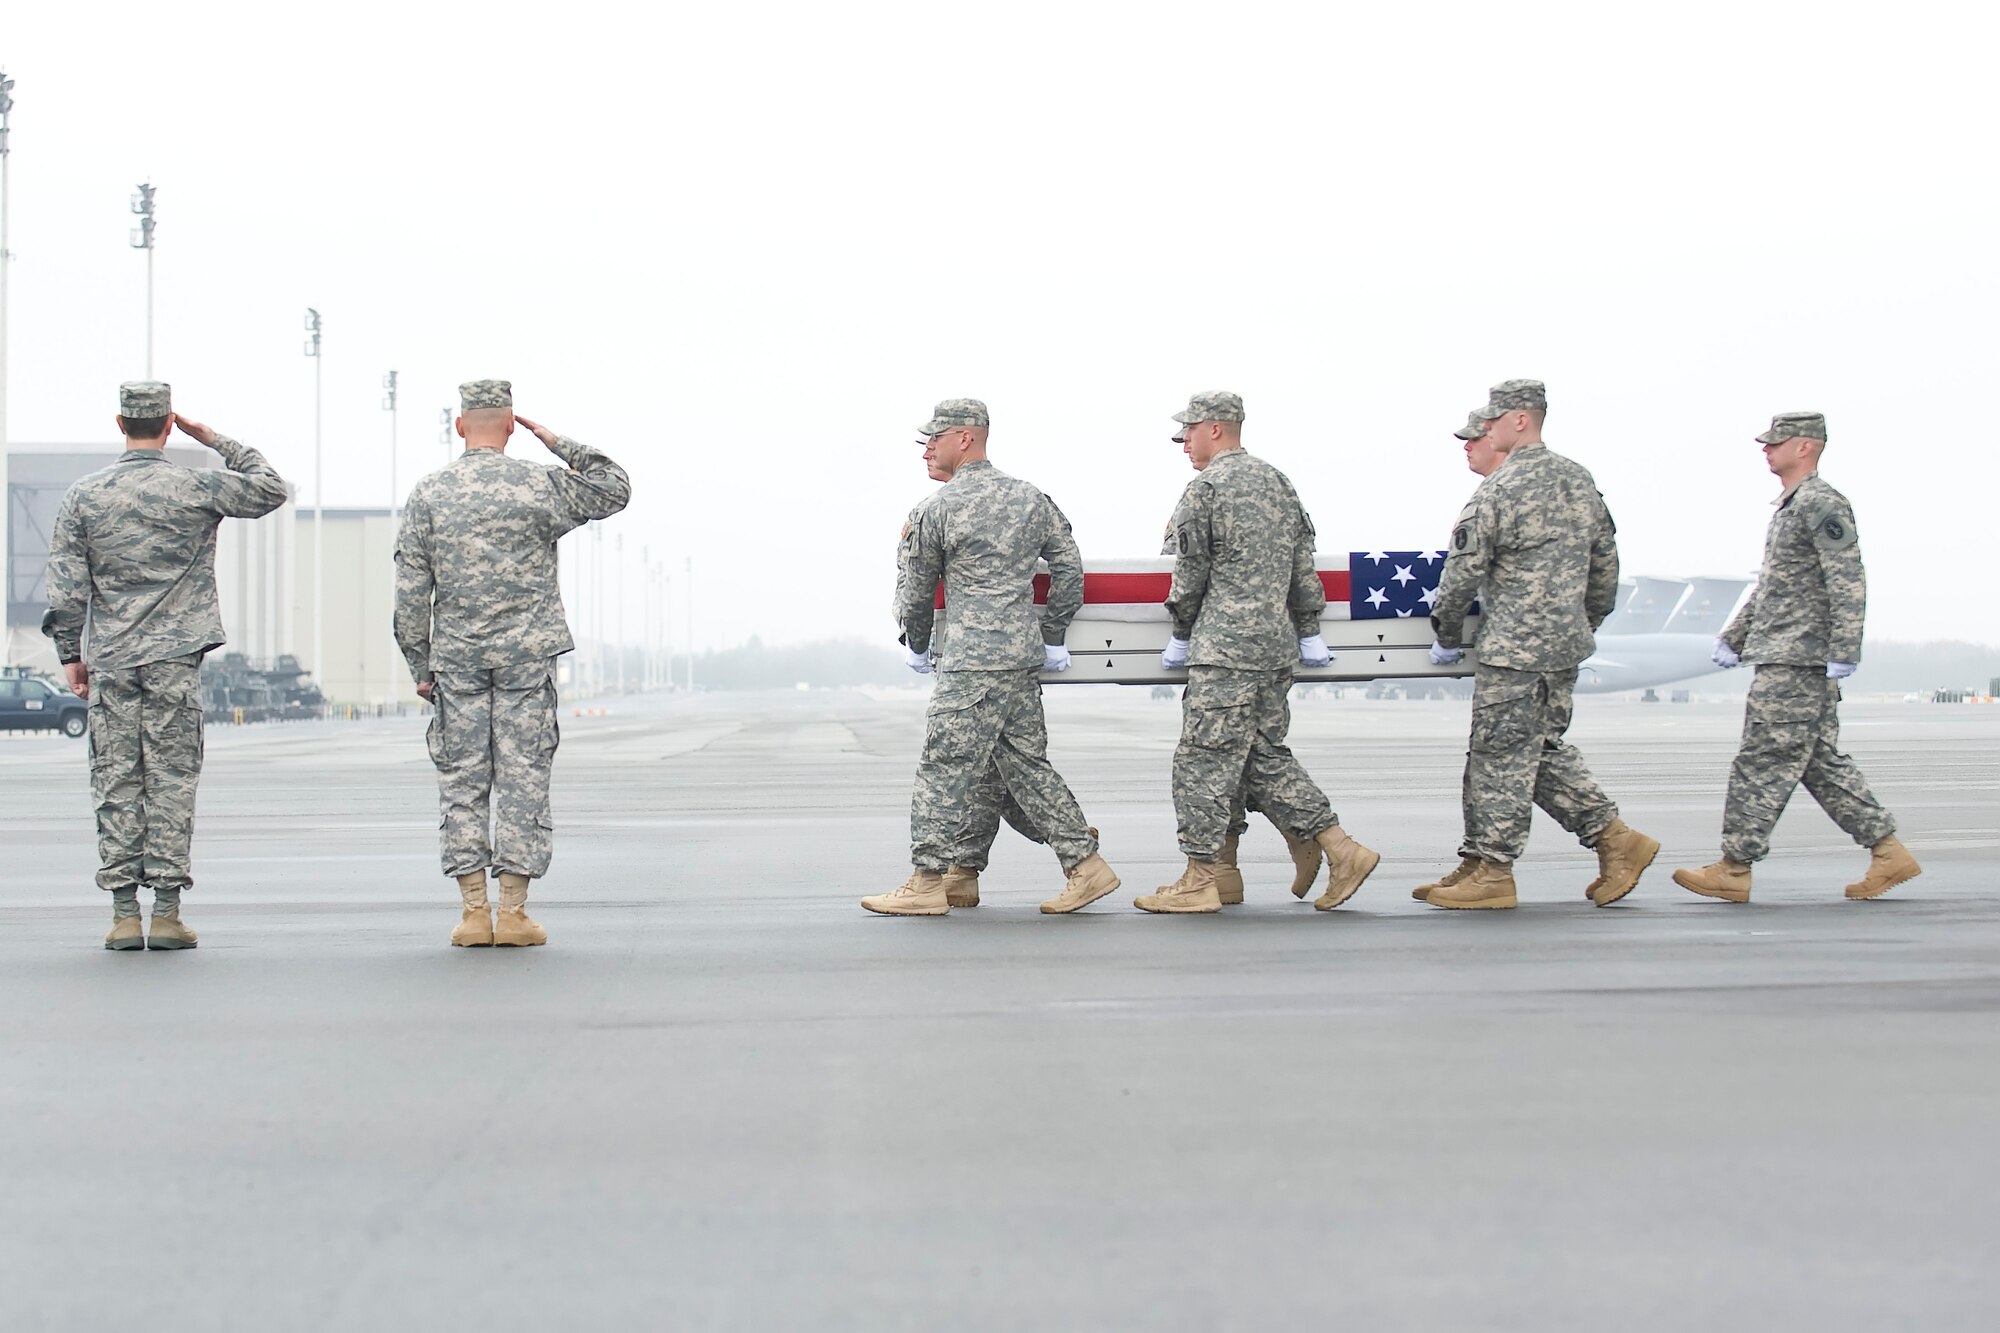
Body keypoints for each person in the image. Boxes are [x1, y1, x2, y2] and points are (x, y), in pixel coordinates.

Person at [42, 382, 289, 950]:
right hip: (174, 659)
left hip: (111, 658)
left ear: (120, 422)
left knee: (116, 780)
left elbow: (65, 587)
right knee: (172, 781)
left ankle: (125, 914)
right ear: (169, 423)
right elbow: (270, 489)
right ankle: (169, 913)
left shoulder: (85, 495)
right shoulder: (195, 485)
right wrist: (217, 439)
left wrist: (69, 654)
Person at [394, 380, 631, 947]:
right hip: (527, 657)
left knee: (463, 781)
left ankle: (474, 913)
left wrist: (419, 663)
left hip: (457, 659)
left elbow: (409, 589)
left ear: (459, 427)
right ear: (509, 427)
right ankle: (515, 912)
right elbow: (614, 488)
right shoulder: (539, 485)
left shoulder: (431, 493)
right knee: (524, 778)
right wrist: (557, 442)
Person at [864, 398, 1121, 916]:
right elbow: (1069, 571)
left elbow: (916, 591)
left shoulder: (936, 509)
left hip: (972, 660)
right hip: (1021, 656)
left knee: (945, 764)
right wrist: (1050, 636)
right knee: (1022, 765)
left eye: (934, 438)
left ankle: (927, 881)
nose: (927, 449)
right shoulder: (1032, 499)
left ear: (965, 438)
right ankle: (1083, 865)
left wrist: (916, 643)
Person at [1423, 379, 1659, 909]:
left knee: (1502, 756)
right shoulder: (1579, 480)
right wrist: (1583, 623)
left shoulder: (1502, 488)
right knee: (1536, 750)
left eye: (1491, 422)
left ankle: (1500, 871)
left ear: (1520, 420)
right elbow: (1606, 567)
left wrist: (1445, 632)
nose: (1483, 431)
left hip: (1514, 646)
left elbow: (1462, 572)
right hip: (1564, 644)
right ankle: (1488, 858)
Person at [1140, 390, 1378, 914]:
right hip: (1275, 646)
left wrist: (1181, 631)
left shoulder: (1205, 489)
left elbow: (1189, 572)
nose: (1184, 443)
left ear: (1216, 429)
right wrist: (1309, 626)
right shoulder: (1278, 484)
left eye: (1189, 432)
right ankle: (1332, 851)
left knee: (1202, 762)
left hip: (1225, 647)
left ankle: (1201, 877)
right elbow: (1302, 564)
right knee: (1258, 756)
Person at [1672, 412, 1918, 903]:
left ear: (1805, 447)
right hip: (1785, 650)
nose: (1766, 450)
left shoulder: (1821, 503)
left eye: (1775, 443)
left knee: (1762, 759)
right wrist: (1736, 636)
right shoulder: (1792, 506)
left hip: (1799, 658)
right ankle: (1888, 852)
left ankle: (1734, 867)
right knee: (1819, 762)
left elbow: (1848, 579)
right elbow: (1774, 585)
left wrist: (1845, 649)